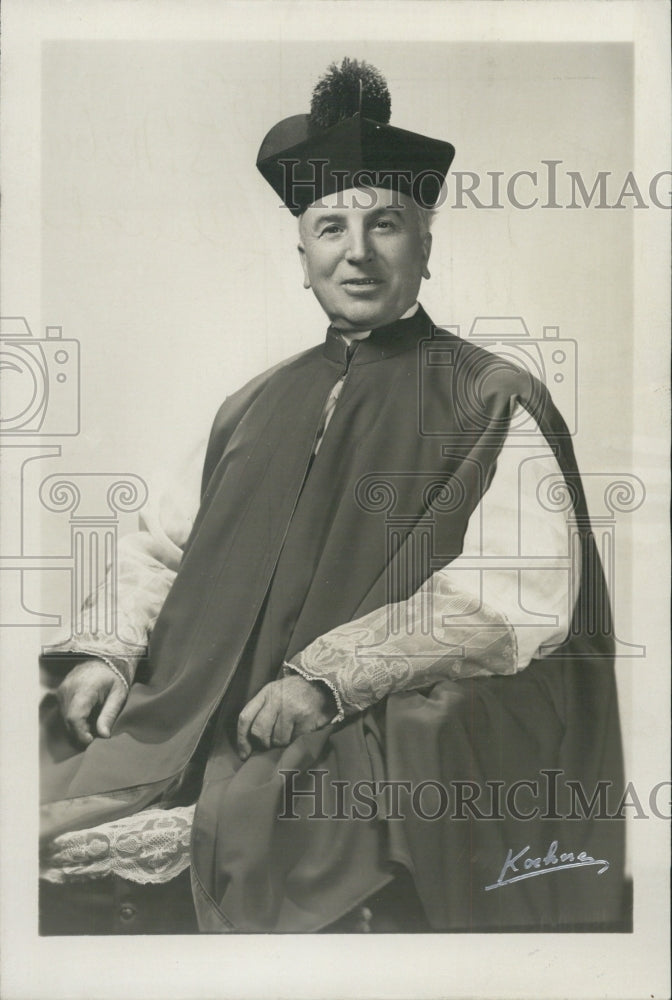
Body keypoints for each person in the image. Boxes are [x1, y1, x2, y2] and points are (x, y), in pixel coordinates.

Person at [40, 58, 627, 933]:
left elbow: (519, 596)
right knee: (53, 762)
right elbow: (160, 551)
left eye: (386, 224)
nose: (357, 252)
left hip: (366, 710)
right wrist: (110, 654)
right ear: (302, 255)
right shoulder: (251, 404)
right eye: (330, 228)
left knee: (296, 808)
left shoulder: (493, 394)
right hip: (202, 710)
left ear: (424, 248)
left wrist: (331, 679)